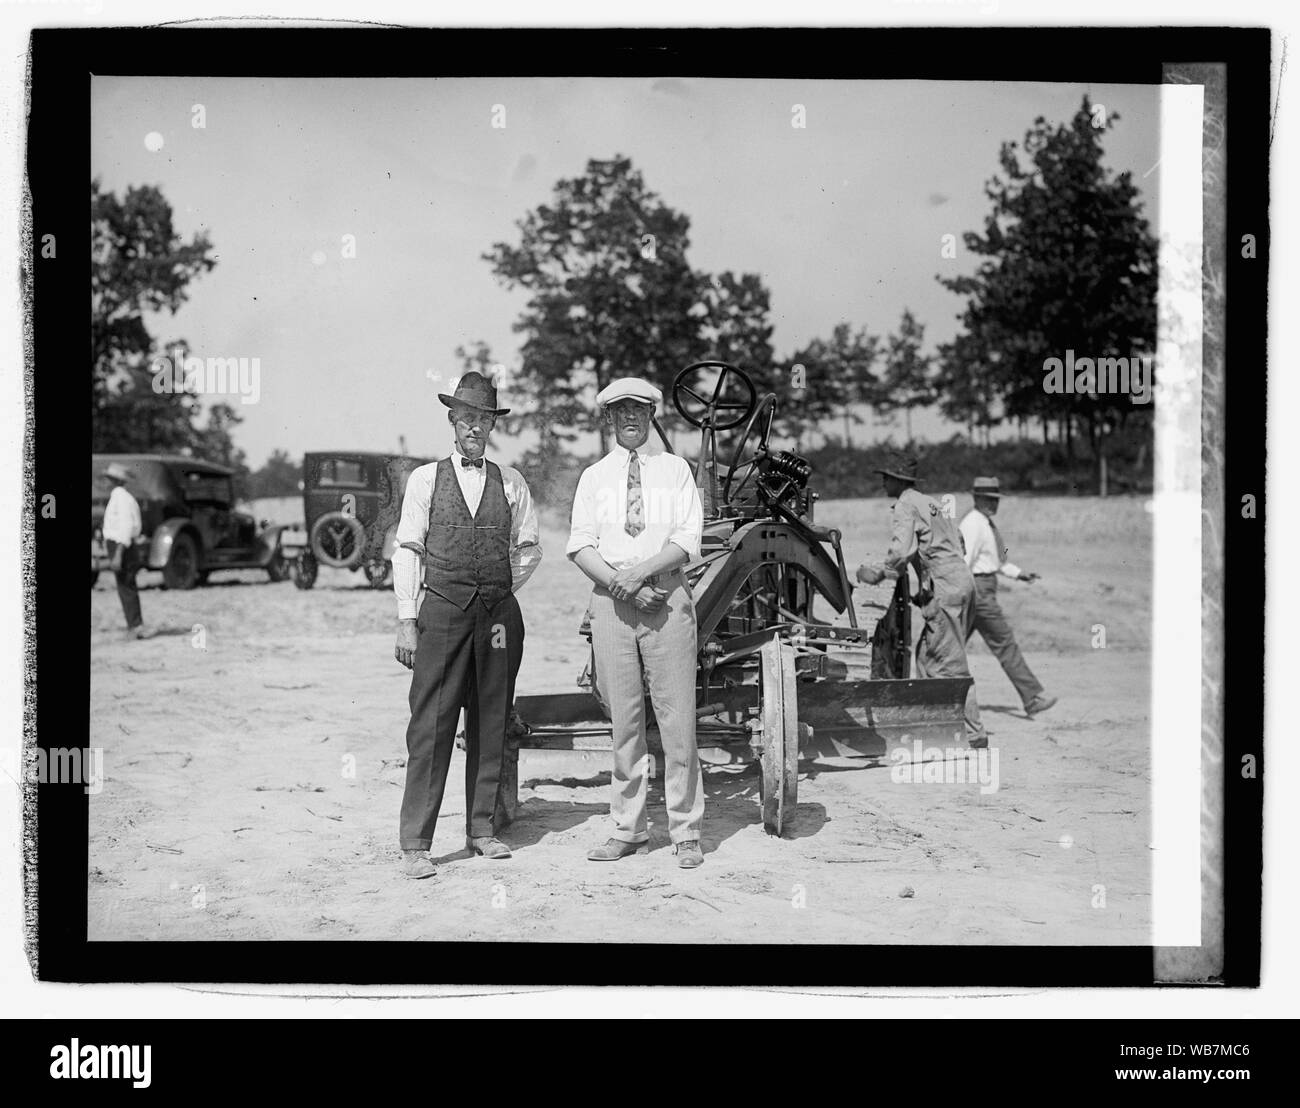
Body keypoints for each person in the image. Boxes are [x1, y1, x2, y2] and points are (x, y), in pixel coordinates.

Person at [391, 371, 542, 879]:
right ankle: (416, 843)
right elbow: (408, 550)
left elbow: (528, 550)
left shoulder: (512, 481)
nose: (476, 427)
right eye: (468, 418)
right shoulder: (425, 480)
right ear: (453, 421)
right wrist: (407, 620)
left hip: (498, 618)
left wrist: (498, 589)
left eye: (484, 419)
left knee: (492, 719)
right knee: (431, 726)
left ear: (492, 425)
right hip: (441, 613)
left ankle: (482, 829)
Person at [566, 377, 706, 869]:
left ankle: (686, 830)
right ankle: (629, 830)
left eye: (639, 410)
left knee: (676, 721)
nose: (630, 418)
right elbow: (580, 544)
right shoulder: (593, 477)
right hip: (611, 605)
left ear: (651, 417)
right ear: (608, 418)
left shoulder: (676, 472)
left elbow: (689, 539)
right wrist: (621, 584)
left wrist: (642, 574)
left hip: (666, 600)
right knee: (625, 724)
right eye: (621, 410)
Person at [856, 452, 988, 748]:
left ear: (896, 480)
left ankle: (972, 734)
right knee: (931, 658)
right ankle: (945, 728)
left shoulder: (905, 505)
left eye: (885, 478)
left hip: (947, 587)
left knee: (944, 663)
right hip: (962, 582)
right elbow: (957, 545)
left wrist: (878, 574)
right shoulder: (931, 503)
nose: (882, 483)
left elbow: (901, 552)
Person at [959, 477, 1057, 717]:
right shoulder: (973, 524)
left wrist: (1020, 574)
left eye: (996, 500)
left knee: (952, 644)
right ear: (976, 498)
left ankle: (931, 694)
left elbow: (996, 562)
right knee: (1004, 643)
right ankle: (1031, 697)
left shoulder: (985, 523)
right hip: (978, 592)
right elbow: (964, 562)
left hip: (982, 589)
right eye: (988, 499)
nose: (993, 504)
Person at [101, 461, 148, 640]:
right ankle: (134, 625)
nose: (105, 482)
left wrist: (118, 554)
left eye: (108, 479)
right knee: (126, 587)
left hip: (122, 546)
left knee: (126, 587)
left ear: (114, 481)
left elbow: (126, 527)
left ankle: (135, 627)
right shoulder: (121, 497)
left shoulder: (121, 498)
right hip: (122, 545)